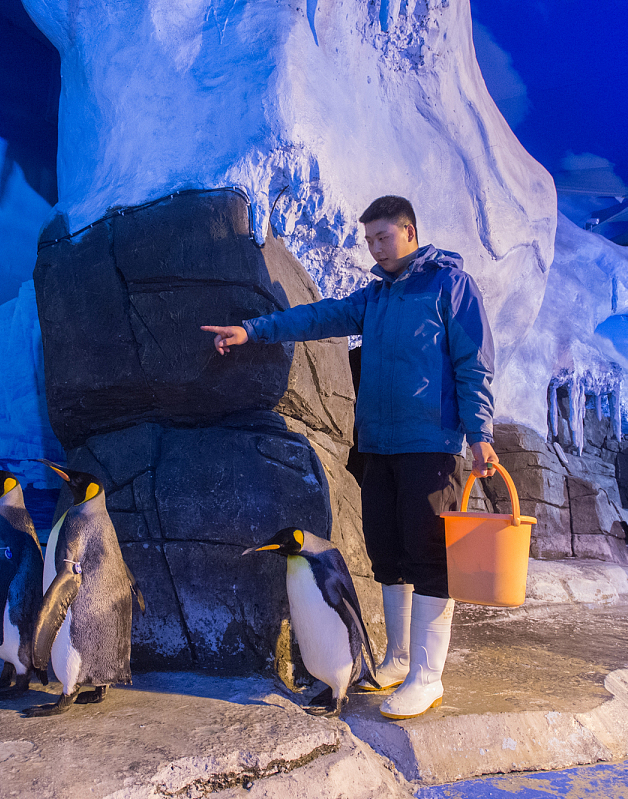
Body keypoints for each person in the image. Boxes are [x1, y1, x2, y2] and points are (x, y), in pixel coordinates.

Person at [201, 195, 497, 719]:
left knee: (429, 557)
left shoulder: (449, 285)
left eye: (383, 237)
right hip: (378, 445)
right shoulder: (375, 296)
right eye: (369, 240)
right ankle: (399, 659)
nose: (375, 248)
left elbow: (474, 363)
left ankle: (428, 676)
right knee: (387, 553)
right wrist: (253, 330)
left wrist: (480, 434)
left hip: (431, 445)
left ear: (409, 231)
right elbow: (319, 317)